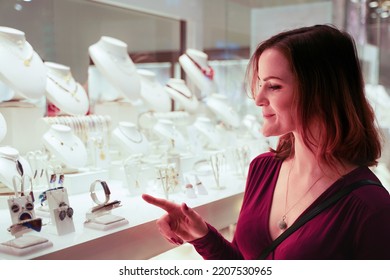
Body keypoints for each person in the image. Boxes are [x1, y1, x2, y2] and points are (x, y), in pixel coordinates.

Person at [142, 24, 390, 260]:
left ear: (320, 93)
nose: (258, 98)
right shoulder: (263, 169)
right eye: (260, 84)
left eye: (273, 86)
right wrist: (200, 235)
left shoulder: (371, 207)